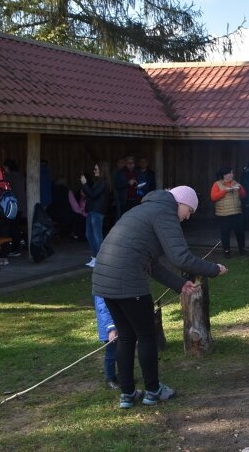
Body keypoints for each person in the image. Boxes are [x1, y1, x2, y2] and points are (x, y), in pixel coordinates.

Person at [92, 185, 228, 408]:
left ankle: (127, 394)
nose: (187, 217)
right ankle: (153, 391)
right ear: (182, 203)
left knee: (126, 337)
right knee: (146, 337)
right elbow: (181, 258)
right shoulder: (165, 213)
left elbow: (150, 263)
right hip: (127, 283)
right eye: (189, 211)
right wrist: (213, 269)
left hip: (104, 281)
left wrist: (178, 283)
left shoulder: (145, 209)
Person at [210, 166, 249, 258]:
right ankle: (227, 252)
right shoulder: (217, 184)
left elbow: (243, 195)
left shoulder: (236, 183)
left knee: (240, 232)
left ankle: (242, 250)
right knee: (225, 233)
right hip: (224, 214)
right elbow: (213, 197)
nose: (231, 175)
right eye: (229, 173)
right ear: (224, 175)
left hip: (237, 213)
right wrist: (224, 191)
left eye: (232, 173)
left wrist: (241, 189)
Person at [81, 162, 110, 268]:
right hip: (92, 210)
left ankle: (102, 259)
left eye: (96, 169)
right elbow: (91, 195)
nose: (94, 171)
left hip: (97, 211)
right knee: (89, 234)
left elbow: (92, 195)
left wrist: (84, 184)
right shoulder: (98, 182)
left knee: (97, 235)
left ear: (102, 170)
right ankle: (95, 257)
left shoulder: (104, 182)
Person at [93, 295, 120, 389]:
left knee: (123, 351)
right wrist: (111, 328)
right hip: (109, 328)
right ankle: (110, 378)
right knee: (111, 354)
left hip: (120, 324)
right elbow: (103, 309)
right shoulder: (101, 290)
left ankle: (123, 375)